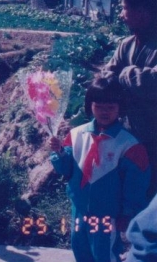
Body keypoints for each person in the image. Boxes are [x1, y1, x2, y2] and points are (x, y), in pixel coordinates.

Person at [48, 77, 151, 262]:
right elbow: (66, 170)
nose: (105, 111)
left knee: (105, 254)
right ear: (90, 106)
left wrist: (127, 213)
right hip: (79, 211)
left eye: (111, 107)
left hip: (107, 215)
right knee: (81, 250)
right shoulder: (76, 135)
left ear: (120, 108)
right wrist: (59, 153)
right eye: (99, 106)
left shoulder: (129, 145)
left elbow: (135, 185)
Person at [101, 0, 157, 197]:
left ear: (143, 11)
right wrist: (122, 77)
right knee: (129, 195)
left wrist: (124, 74)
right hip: (128, 135)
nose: (122, 15)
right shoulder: (127, 44)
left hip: (154, 140)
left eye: (124, 8)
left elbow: (152, 82)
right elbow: (107, 77)